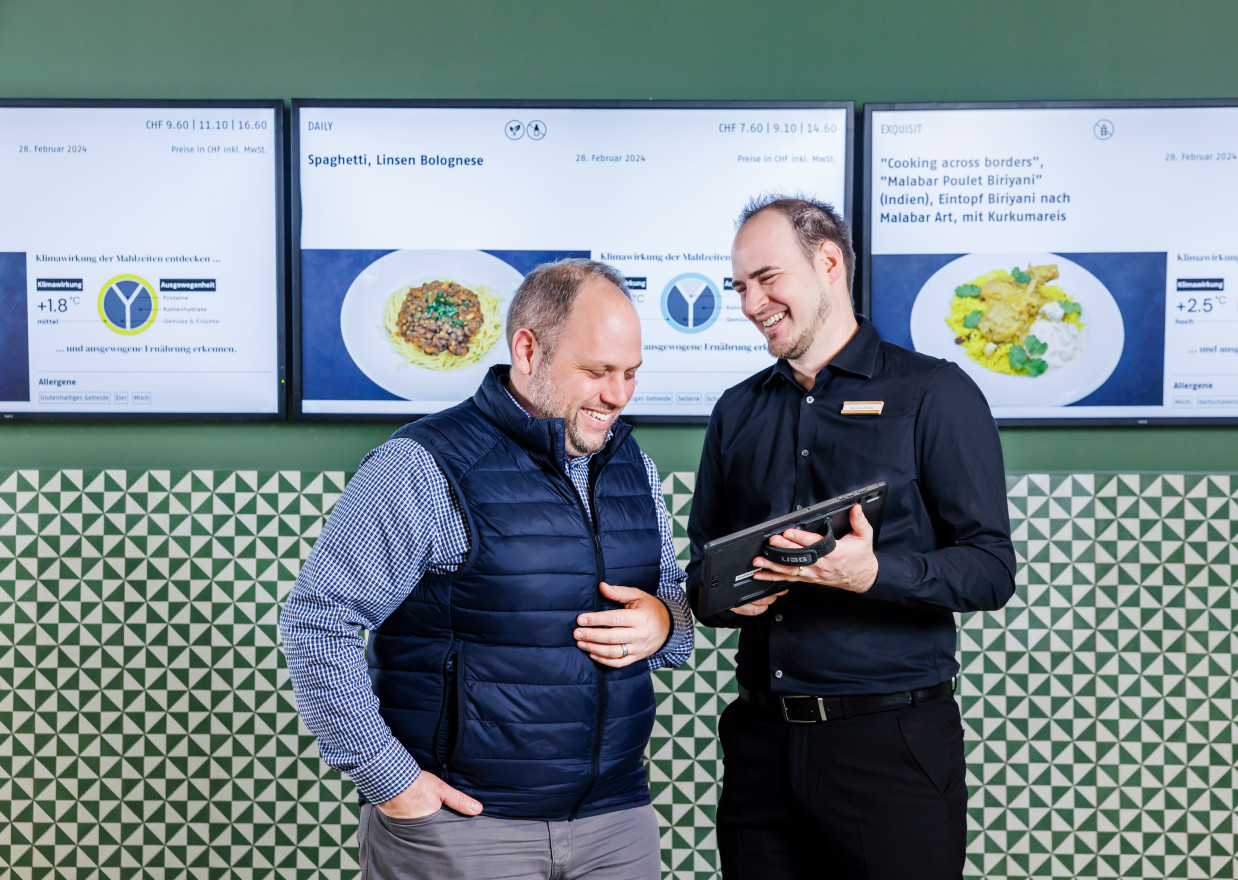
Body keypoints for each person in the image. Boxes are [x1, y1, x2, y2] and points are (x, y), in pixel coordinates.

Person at [281, 259, 694, 880]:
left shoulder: (633, 467)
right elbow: (317, 624)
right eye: (596, 372)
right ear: (527, 350)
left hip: (616, 824)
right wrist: (393, 784)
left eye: (631, 373)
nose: (618, 395)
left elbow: (672, 607)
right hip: (463, 829)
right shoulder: (422, 465)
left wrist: (666, 622)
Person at [685, 197, 1016, 880]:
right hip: (759, 746)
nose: (751, 303)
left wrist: (872, 574)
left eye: (767, 278)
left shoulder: (935, 395)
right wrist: (730, 599)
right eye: (740, 286)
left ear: (828, 262)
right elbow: (701, 575)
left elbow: (989, 569)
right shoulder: (736, 411)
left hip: (889, 747)